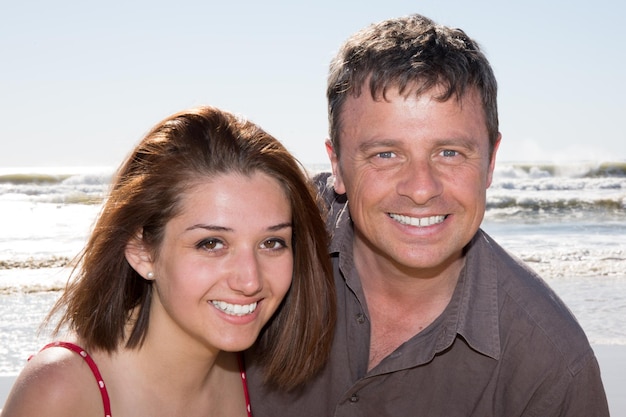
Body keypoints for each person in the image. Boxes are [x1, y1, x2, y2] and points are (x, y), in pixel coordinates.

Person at [245, 13, 609, 416]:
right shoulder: (256, 250)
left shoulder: (552, 367)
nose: (421, 189)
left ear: (490, 163)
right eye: (386, 154)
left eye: (449, 153)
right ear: (337, 166)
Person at [1, 106, 335, 417]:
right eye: (212, 243)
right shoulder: (61, 393)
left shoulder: (263, 374)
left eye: (271, 242)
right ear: (141, 250)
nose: (250, 281)